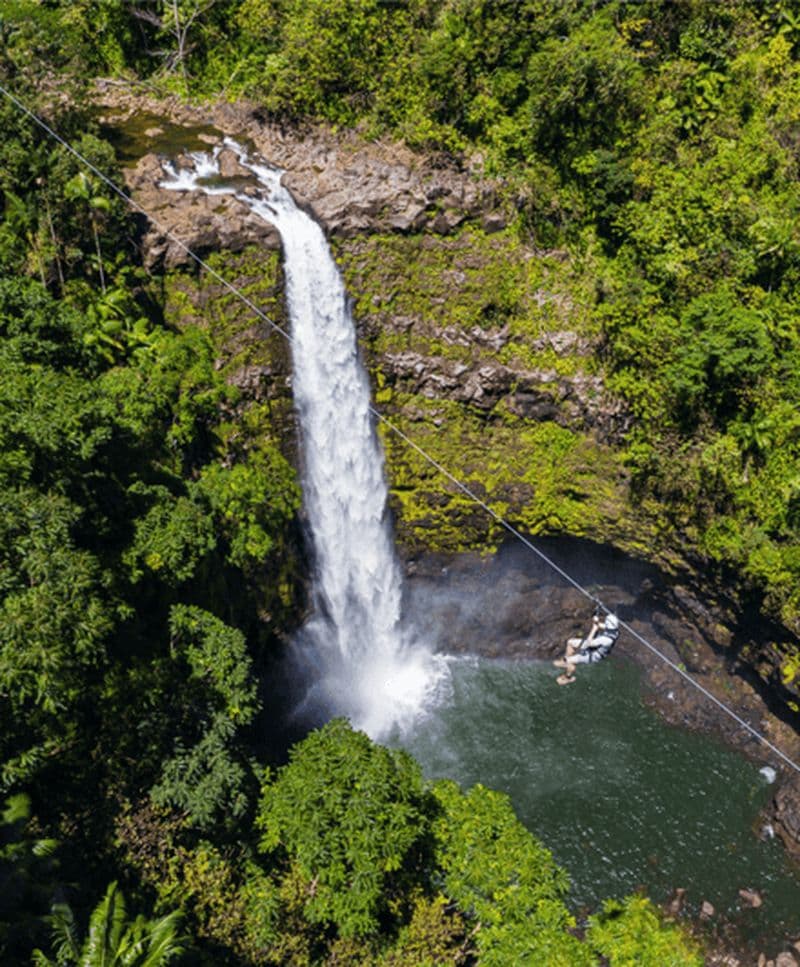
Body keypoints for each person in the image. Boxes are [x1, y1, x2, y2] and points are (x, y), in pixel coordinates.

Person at [553, 611, 619, 685]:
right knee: (570, 642)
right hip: (594, 646)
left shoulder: (607, 640)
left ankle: (568, 677)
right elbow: (602, 626)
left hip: (593, 654)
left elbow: (589, 643)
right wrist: (596, 622)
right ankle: (568, 660)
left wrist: (594, 629)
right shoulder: (615, 631)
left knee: (564, 663)